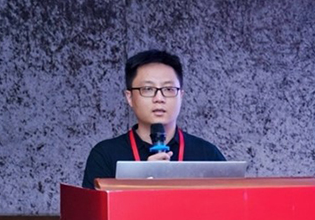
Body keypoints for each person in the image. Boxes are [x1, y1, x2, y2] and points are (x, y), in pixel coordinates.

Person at [82, 49, 226, 189]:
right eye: (148, 89)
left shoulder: (207, 154)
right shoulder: (105, 155)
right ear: (129, 97)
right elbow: (95, 206)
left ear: (181, 96)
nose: (159, 98)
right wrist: (143, 183)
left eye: (168, 89)